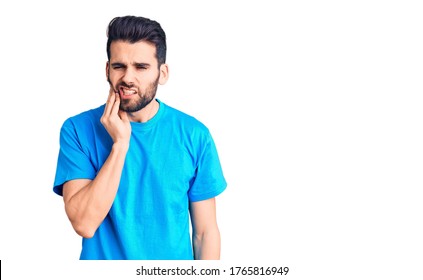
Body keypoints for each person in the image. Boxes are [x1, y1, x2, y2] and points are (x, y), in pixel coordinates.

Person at [53, 15, 227, 260]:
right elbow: (84, 223)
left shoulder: (194, 135)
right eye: (119, 66)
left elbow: (205, 233)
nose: (127, 78)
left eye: (141, 67)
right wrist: (120, 145)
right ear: (107, 70)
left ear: (162, 73)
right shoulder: (77, 130)